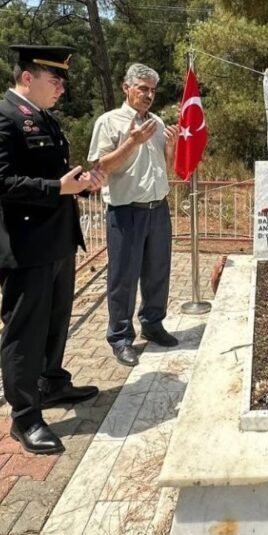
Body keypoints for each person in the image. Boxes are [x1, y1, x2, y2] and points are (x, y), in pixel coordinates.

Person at [0, 44, 104, 456]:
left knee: (54, 321)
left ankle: (52, 383)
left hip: (57, 241)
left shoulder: (44, 120)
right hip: (26, 247)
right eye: (55, 79)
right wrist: (57, 188)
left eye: (62, 80)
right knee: (25, 332)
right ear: (27, 78)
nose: (61, 87)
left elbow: (51, 176)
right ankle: (25, 417)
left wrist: (81, 182)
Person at [89, 63, 180, 367]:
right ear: (126, 87)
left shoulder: (155, 122)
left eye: (153, 89)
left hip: (158, 208)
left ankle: (153, 324)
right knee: (123, 278)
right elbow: (101, 168)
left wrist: (170, 147)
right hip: (126, 211)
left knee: (158, 272)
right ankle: (120, 337)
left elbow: (164, 169)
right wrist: (132, 141)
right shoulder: (109, 122)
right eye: (142, 88)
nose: (148, 94)